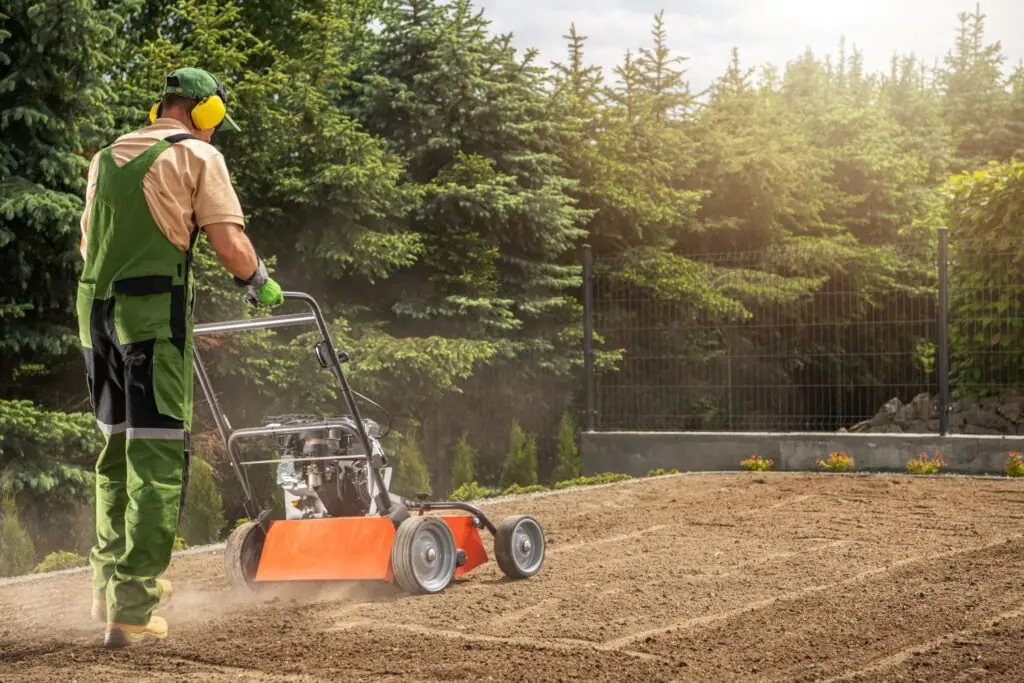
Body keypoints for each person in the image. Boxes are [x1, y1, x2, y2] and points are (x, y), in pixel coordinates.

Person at [76, 67, 283, 649]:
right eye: (217, 121)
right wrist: (260, 283)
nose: (216, 133)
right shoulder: (197, 156)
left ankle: (108, 586)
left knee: (114, 449)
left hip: (95, 314)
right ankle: (134, 606)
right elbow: (229, 242)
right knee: (158, 456)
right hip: (149, 320)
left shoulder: (107, 157)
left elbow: (90, 242)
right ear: (205, 111)